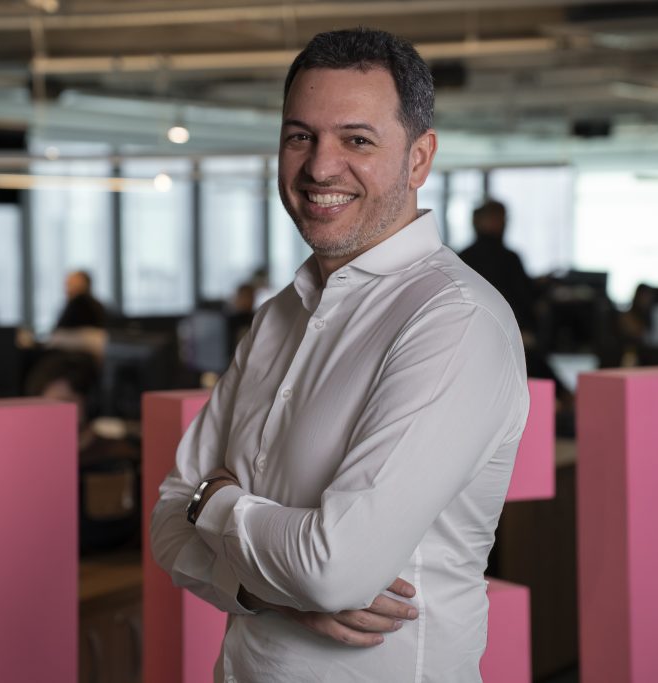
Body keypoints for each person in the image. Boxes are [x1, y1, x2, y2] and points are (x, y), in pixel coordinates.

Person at [151, 27, 528, 682]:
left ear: (418, 159)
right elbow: (166, 524)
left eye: (357, 140)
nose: (320, 167)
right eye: (301, 136)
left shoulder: (454, 321)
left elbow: (334, 570)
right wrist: (269, 593)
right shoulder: (279, 316)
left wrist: (213, 503)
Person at [458, 200, 537, 334]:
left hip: (471, 329)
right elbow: (524, 297)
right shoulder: (508, 258)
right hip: (510, 328)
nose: (504, 223)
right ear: (482, 221)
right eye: (499, 218)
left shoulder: (461, 257)